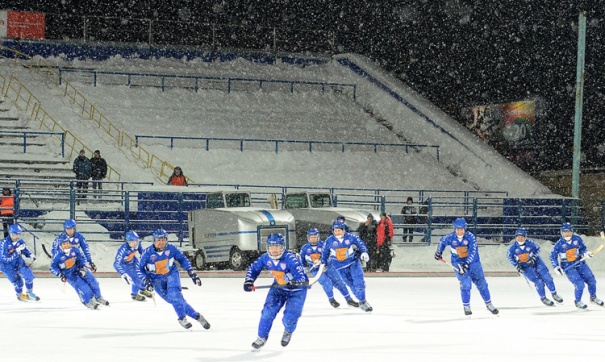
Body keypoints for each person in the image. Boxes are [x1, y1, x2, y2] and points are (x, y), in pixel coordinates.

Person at [244, 233, 309, 351]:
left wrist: (292, 280)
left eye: (277, 246)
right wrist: (249, 280)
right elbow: (254, 268)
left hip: (297, 291)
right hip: (278, 288)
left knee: (290, 318)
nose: (274, 250)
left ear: (283, 247)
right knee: (267, 313)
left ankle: (288, 331)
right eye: (271, 246)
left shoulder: (291, 259)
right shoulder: (265, 258)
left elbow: (301, 277)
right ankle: (261, 337)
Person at [139, 229, 210, 329]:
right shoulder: (147, 254)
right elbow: (140, 268)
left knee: (175, 295)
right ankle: (197, 316)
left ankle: (182, 318)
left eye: (163, 240)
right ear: (154, 241)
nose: (161, 242)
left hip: (171, 275)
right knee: (175, 300)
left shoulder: (172, 249)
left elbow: (183, 259)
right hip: (156, 280)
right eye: (159, 240)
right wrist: (146, 280)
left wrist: (191, 272)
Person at [434, 218, 499, 316]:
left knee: (482, 283)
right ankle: (466, 306)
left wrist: (467, 263)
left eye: (461, 229)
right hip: (458, 262)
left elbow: (473, 251)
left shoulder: (470, 237)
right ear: (455, 229)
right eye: (457, 229)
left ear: (465, 229)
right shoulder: (451, 237)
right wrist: (439, 252)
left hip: (474, 263)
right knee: (466, 283)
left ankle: (489, 304)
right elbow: (442, 242)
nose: (459, 231)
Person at [299, 227, 359, 308]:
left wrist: (325, 262)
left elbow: (331, 254)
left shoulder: (324, 244)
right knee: (327, 283)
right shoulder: (305, 248)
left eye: (315, 237)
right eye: (311, 237)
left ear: (318, 237)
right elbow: (302, 260)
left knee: (340, 283)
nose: (313, 239)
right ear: (308, 238)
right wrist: (304, 268)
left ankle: (349, 299)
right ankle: (331, 300)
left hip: (329, 267)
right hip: (316, 270)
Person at [320, 221, 373, 312]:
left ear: (343, 230)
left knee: (359, 282)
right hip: (340, 267)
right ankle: (361, 300)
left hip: (353, 263)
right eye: (335, 231)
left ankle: (363, 301)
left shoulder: (351, 237)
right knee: (351, 284)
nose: (337, 232)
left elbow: (360, 243)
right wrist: (323, 263)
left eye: (339, 230)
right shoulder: (329, 241)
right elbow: (324, 253)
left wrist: (364, 251)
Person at [549, 222, 603, 309]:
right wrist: (556, 267)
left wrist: (586, 254)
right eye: (565, 232)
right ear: (562, 232)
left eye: (569, 231)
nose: (567, 233)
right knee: (579, 284)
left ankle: (593, 298)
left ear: (572, 231)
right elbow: (552, 256)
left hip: (580, 263)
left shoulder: (577, 239)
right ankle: (578, 301)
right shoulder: (559, 244)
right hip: (568, 267)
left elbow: (583, 249)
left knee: (591, 280)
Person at [49, 234, 109, 309]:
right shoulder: (57, 256)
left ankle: (98, 297)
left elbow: (82, 258)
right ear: (60, 245)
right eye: (64, 244)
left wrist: (82, 266)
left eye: (67, 243)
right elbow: (52, 268)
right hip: (69, 274)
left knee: (93, 281)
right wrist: (60, 274)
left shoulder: (75, 249)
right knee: (83, 287)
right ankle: (87, 301)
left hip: (78, 269)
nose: (67, 245)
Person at [507, 227, 563, 306]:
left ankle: (554, 294)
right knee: (539, 282)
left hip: (537, 262)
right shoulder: (512, 249)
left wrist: (533, 258)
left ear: (525, 237)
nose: (520, 239)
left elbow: (538, 249)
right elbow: (510, 257)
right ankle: (543, 298)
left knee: (547, 277)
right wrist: (517, 265)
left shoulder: (531, 243)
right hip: (525, 267)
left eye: (522, 237)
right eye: (518, 237)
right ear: (516, 237)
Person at [0, 224, 40, 302]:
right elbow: (5, 258)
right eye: (15, 234)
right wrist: (16, 251)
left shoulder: (20, 241)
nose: (17, 236)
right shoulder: (3, 244)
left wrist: (30, 255)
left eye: (19, 234)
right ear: (10, 234)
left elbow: (25, 249)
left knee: (29, 274)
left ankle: (30, 292)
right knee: (18, 281)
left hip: (18, 261)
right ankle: (20, 295)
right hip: (6, 265)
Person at [113, 231, 154, 301]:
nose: (135, 243)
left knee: (143, 274)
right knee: (137, 278)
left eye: (136, 241)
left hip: (134, 261)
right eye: (133, 241)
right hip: (125, 265)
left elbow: (142, 253)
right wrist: (123, 274)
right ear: (128, 242)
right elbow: (116, 263)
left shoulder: (138, 244)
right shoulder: (123, 250)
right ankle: (134, 294)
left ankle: (142, 289)